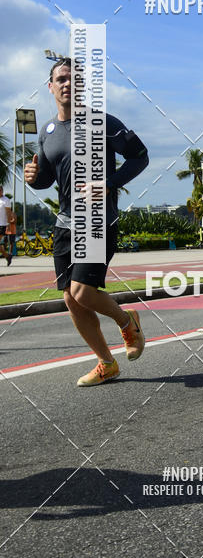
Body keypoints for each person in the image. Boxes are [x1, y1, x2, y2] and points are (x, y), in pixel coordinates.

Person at [24, 58, 149, 387]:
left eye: (74, 79)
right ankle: (106, 363)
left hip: (98, 218)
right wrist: (33, 179)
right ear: (51, 87)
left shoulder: (103, 123)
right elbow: (47, 179)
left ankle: (127, 321)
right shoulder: (48, 132)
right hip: (64, 222)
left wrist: (109, 182)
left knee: (82, 291)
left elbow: (140, 156)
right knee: (69, 297)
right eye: (60, 79)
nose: (67, 84)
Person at [0, 185, 15, 266]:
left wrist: (8, 224)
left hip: (2, 224)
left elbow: (8, 213)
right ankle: (7, 256)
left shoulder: (6, 200)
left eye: (0, 190)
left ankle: (7, 255)